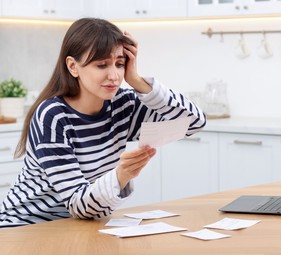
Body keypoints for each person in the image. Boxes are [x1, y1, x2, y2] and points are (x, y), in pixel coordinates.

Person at [0, 18, 206, 227]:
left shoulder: (122, 106)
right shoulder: (52, 116)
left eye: (119, 63)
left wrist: (136, 80)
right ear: (73, 66)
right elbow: (78, 204)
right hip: (24, 228)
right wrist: (121, 175)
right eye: (101, 65)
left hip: (77, 227)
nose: (114, 75)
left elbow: (194, 122)